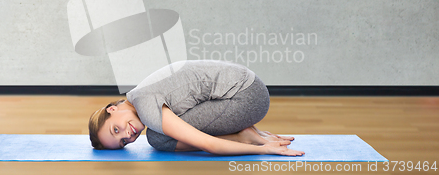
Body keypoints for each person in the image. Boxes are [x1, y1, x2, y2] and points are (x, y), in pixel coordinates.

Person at [88, 60, 305, 156]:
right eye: (123, 142)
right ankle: (246, 131)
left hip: (248, 98)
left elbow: (209, 144)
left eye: (115, 130)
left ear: (111, 109)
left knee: (158, 138)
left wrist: (263, 149)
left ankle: (243, 136)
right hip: (250, 85)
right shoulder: (138, 93)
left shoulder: (146, 106)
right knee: (161, 131)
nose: (128, 135)